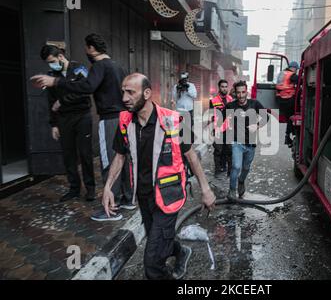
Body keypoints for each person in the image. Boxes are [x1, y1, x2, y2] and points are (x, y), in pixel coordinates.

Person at [103, 73, 216, 280]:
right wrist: (108, 187)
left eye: (130, 92)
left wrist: (206, 190)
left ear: (147, 93)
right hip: (145, 197)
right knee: (161, 238)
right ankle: (181, 251)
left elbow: (191, 157)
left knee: (152, 263)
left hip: (169, 196)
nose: (125, 98)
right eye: (123, 92)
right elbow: (120, 157)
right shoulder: (125, 122)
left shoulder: (174, 120)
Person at [31, 34, 134, 221]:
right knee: (122, 160)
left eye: (86, 48)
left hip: (109, 119)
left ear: (92, 48)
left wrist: (56, 83)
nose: (86, 52)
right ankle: (127, 199)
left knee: (109, 163)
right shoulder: (118, 66)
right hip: (122, 117)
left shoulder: (98, 66)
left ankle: (112, 207)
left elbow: (87, 87)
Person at [39, 44, 96, 203]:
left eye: (52, 61)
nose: (51, 64)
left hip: (82, 116)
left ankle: (90, 189)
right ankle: (74, 189)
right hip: (64, 120)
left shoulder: (78, 68)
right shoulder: (51, 75)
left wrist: (63, 101)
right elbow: (51, 102)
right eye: (48, 62)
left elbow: (85, 91)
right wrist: (54, 124)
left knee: (85, 154)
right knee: (68, 155)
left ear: (60, 56)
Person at [225, 81, 269, 199]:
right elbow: (219, 117)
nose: (241, 95)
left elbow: (266, 117)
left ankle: (241, 181)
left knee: (245, 168)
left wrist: (257, 125)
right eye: (238, 93)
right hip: (236, 142)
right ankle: (232, 190)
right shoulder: (231, 106)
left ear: (246, 92)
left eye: (243, 92)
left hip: (250, 143)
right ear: (235, 93)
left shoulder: (255, 104)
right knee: (236, 166)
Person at [209, 80, 233, 177]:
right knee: (218, 150)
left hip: (229, 128)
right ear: (219, 88)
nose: (224, 88)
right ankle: (218, 170)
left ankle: (229, 171)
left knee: (229, 150)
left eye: (226, 86)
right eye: (222, 86)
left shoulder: (231, 99)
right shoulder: (213, 101)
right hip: (218, 128)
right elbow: (210, 116)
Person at [276, 61, 300, 148]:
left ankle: (289, 137)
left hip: (280, 99)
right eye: (296, 69)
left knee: (289, 118)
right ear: (293, 68)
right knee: (292, 117)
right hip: (287, 98)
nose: (296, 71)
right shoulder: (291, 75)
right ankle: (289, 136)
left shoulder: (282, 73)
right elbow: (301, 81)